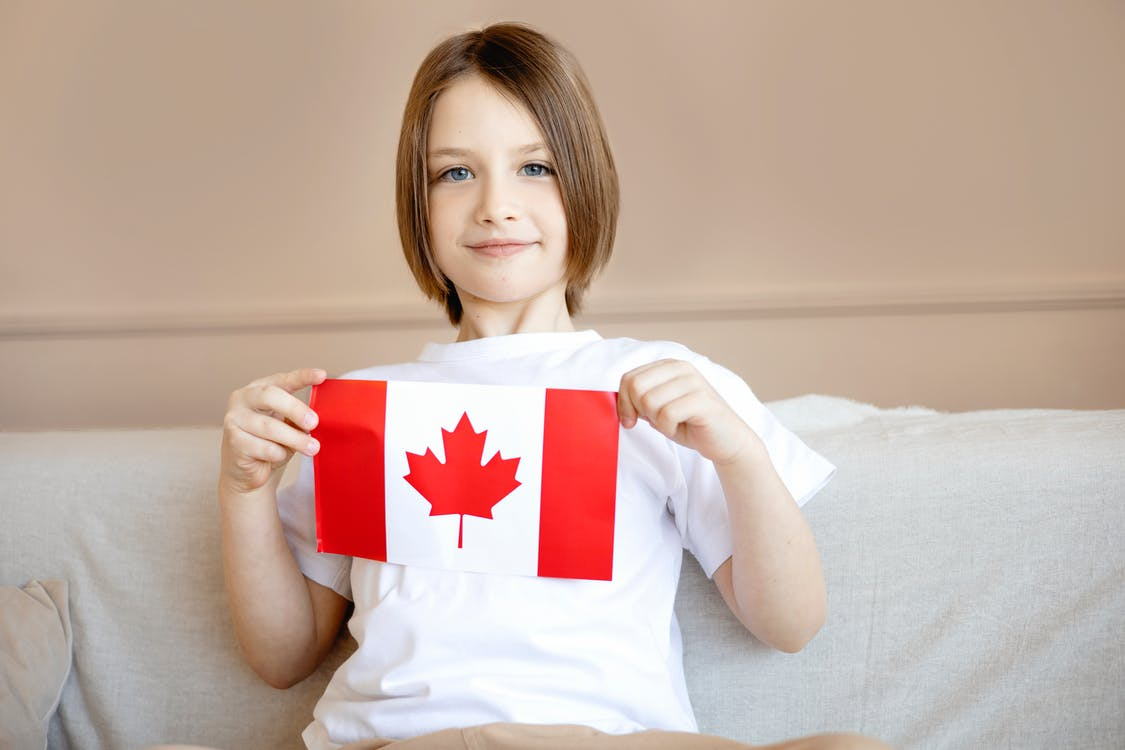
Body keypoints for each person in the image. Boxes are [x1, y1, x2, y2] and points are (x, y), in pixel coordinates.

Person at [217, 22, 890, 750]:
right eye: (455, 173)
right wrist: (243, 490)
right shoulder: (360, 408)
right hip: (404, 739)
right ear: (418, 205)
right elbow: (282, 658)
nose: (495, 206)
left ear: (586, 184)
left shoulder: (660, 384)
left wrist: (739, 456)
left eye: (534, 168)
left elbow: (788, 624)